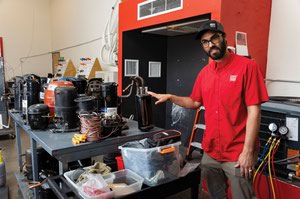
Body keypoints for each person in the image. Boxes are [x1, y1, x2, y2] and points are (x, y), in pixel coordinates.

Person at [147, 20, 269, 199]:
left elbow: (254, 111)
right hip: (211, 152)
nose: (210, 45)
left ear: (224, 38)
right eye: (205, 42)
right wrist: (170, 97)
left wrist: (248, 152)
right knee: (215, 195)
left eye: (214, 39)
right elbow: (194, 102)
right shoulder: (205, 73)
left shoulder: (247, 67)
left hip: (237, 153)